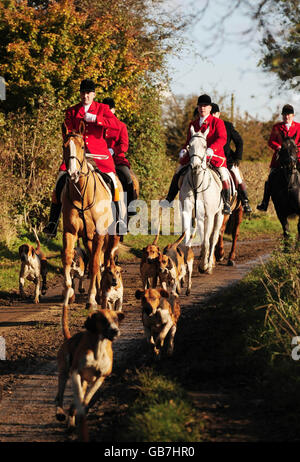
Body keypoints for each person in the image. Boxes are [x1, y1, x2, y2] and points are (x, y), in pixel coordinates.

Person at [43, 79, 122, 237]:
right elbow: (67, 132)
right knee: (59, 181)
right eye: (83, 93)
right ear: (80, 93)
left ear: (93, 94)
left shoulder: (102, 108)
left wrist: (98, 120)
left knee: (113, 182)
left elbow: (117, 125)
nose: (85, 96)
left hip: (98, 155)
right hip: (78, 155)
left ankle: (119, 222)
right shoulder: (72, 111)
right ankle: (52, 223)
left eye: (88, 93)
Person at [161, 94, 231, 214]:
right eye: (200, 106)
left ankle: (226, 203)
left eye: (205, 106)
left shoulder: (217, 122)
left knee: (224, 175)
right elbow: (188, 141)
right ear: (198, 108)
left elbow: (222, 138)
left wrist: (211, 149)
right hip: (195, 156)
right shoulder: (192, 124)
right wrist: (184, 150)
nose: (202, 108)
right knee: (179, 170)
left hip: (213, 156)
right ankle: (169, 199)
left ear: (210, 108)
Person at [257, 104, 300, 211]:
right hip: (280, 159)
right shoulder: (276, 127)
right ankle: (264, 203)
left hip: (297, 158)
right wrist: (278, 146)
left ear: (293, 115)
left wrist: (295, 149)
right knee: (270, 179)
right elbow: (271, 141)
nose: (287, 117)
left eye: (289, 115)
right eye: (285, 115)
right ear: (282, 116)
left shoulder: (299, 127)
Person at [210, 103, 252, 214]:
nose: (213, 115)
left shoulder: (227, 125)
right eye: (211, 113)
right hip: (209, 159)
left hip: (227, 159)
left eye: (215, 113)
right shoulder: (206, 125)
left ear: (219, 114)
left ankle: (245, 201)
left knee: (237, 175)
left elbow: (239, 141)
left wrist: (238, 157)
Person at [102, 97, 137, 216]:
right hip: (99, 159)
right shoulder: (98, 125)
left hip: (117, 159)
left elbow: (124, 145)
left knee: (128, 177)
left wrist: (113, 150)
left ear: (114, 110)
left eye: (109, 110)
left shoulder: (121, 126)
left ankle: (130, 207)